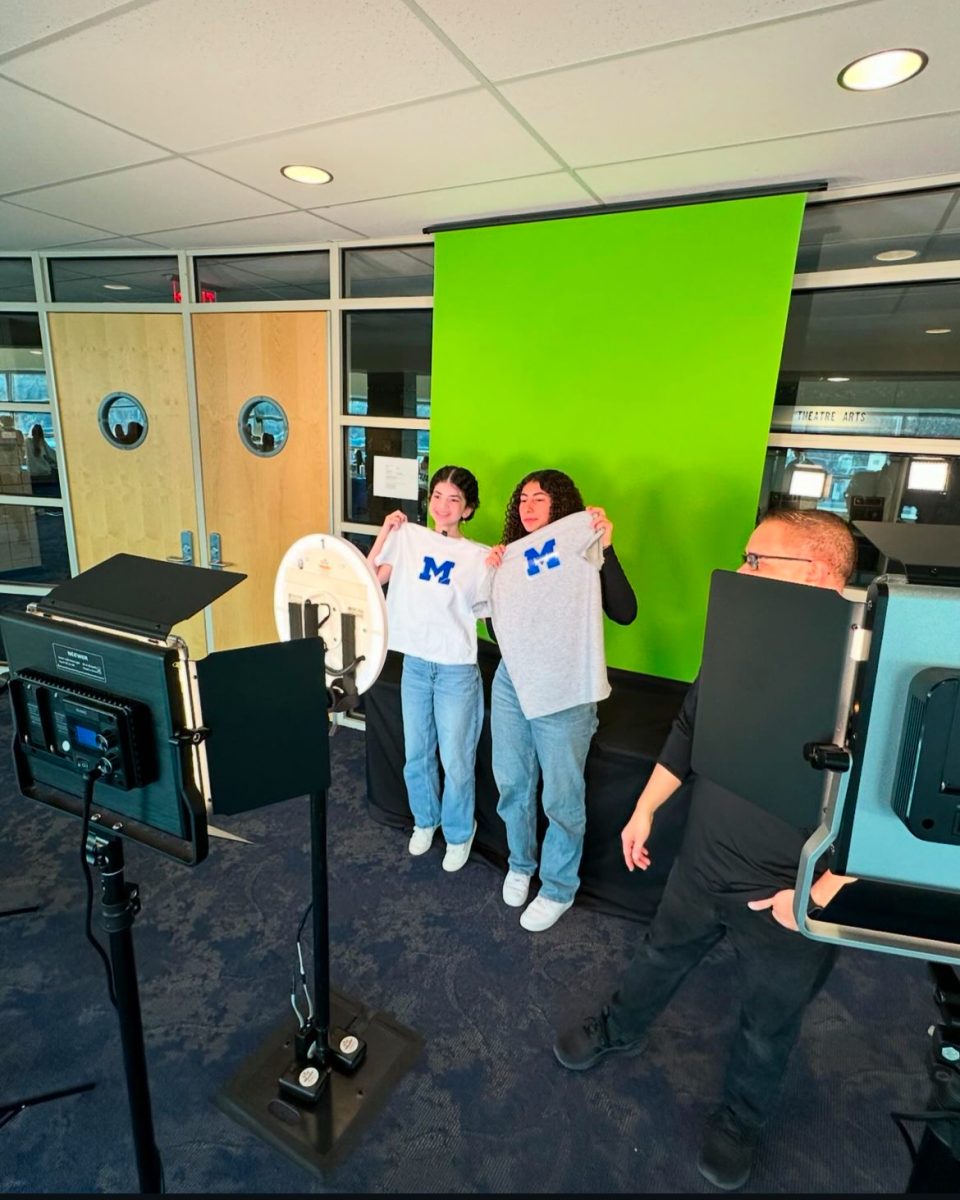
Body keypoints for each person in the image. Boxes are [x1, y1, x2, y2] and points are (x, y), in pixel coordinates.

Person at [552, 508, 857, 1191]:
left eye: (757, 561)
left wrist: (816, 896)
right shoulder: (742, 639)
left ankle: (741, 1119)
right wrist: (645, 808)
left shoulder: (868, 679)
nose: (742, 574)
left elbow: (895, 818)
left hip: (793, 896)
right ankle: (619, 1029)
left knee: (766, 1023)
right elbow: (692, 726)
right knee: (658, 957)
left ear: (819, 571)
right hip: (704, 861)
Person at [484, 469, 636, 932]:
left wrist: (605, 546)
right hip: (513, 681)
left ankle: (557, 887)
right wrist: (494, 578)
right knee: (511, 781)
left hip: (567, 688)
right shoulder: (509, 557)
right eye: (523, 499)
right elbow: (496, 631)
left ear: (562, 505)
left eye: (540, 499)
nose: (528, 507)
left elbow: (625, 612)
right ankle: (520, 863)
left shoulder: (581, 543)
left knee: (561, 797)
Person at [368, 466, 489, 872]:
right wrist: (386, 531)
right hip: (416, 665)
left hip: (456, 670)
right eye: (437, 495)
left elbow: (494, 611)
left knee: (456, 759)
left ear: (468, 509)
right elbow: (369, 579)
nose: (443, 505)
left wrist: (503, 564)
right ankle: (425, 819)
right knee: (417, 753)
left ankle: (458, 831)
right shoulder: (408, 540)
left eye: (454, 499)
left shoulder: (478, 557)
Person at [25, 424, 57, 493]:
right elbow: (51, 455)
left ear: (31, 432)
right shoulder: (42, 442)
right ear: (41, 433)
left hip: (32, 473)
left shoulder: (26, 442)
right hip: (45, 472)